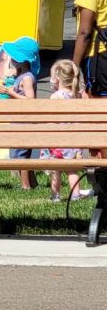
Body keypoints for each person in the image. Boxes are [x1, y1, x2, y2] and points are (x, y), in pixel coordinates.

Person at [40, 59, 92, 202]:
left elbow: (50, 121)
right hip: (72, 142)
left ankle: (55, 196)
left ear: (57, 78)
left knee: (55, 170)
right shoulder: (76, 95)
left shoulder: (55, 97)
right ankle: (75, 194)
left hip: (57, 141)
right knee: (71, 170)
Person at [0, 36, 39, 190]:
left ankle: (25, 186)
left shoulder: (27, 78)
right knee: (20, 153)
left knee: (22, 155)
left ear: (22, 60)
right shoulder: (20, 76)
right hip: (18, 121)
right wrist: (5, 90)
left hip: (25, 122)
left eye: (14, 58)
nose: (11, 60)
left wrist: (12, 93)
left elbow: (30, 100)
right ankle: (32, 183)